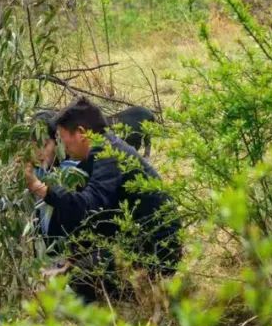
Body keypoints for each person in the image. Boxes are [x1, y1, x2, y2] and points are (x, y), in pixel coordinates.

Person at [24, 97, 182, 300]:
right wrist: (70, 263)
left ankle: (136, 302)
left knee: (82, 279)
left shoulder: (108, 155)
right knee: (78, 272)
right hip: (141, 241)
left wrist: (40, 188)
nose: (63, 147)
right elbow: (98, 220)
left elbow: (89, 207)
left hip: (157, 251)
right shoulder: (100, 153)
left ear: (81, 133)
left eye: (64, 139)